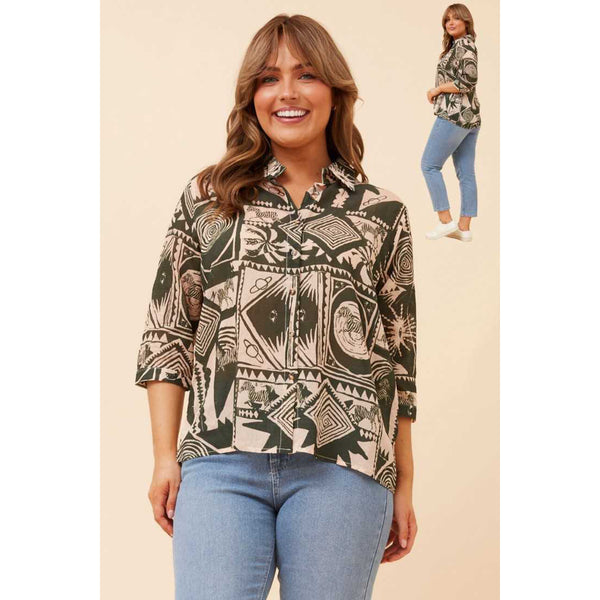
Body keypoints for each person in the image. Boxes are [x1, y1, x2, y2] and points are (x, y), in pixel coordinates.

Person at [134, 13, 418, 600]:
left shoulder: (381, 213)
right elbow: (168, 333)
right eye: (269, 78)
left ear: (335, 92)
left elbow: (398, 360)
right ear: (252, 97)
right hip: (220, 462)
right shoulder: (207, 199)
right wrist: (164, 457)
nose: (287, 92)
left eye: (306, 74)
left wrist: (404, 482)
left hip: (345, 467)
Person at [421, 3, 481, 242]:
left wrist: (437, 89)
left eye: (456, 18)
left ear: (466, 21)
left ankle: (445, 221)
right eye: (447, 19)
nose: (451, 22)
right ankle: (464, 228)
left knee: (429, 165)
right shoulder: (459, 46)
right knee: (466, 172)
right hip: (470, 117)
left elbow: (468, 81)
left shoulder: (464, 45)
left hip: (454, 115)